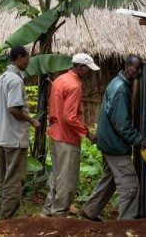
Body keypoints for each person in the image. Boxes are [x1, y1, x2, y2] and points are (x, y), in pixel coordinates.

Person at [79, 54, 146, 221]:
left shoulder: (116, 82)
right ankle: (126, 223)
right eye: (136, 68)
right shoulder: (121, 89)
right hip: (114, 145)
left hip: (106, 141)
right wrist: (139, 140)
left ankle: (90, 211)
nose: (139, 72)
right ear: (127, 67)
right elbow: (122, 124)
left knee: (110, 179)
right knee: (130, 184)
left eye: (141, 68)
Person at [41, 53, 100, 217]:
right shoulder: (74, 86)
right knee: (67, 178)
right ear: (80, 67)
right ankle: (59, 213)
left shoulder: (60, 79)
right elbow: (69, 117)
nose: (89, 72)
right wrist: (88, 133)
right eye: (87, 69)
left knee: (57, 174)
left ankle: (47, 210)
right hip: (67, 137)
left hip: (54, 132)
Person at [0, 46, 41, 220]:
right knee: (14, 180)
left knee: (5, 179)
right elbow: (13, 109)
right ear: (20, 58)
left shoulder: (1, 78)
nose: (29, 62)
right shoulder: (15, 80)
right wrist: (32, 120)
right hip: (14, 137)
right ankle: (5, 220)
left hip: (1, 136)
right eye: (27, 58)